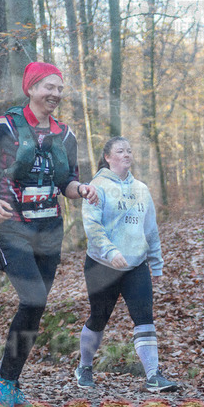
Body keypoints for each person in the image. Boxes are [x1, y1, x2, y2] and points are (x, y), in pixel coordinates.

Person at [0, 61, 98, 407]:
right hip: (11, 226)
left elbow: (67, 183)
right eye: (49, 87)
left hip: (49, 229)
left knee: (35, 307)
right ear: (31, 88)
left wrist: (81, 189)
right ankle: (4, 384)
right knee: (33, 299)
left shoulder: (65, 135)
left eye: (60, 88)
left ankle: (12, 383)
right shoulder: (3, 126)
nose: (56, 94)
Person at [76, 136, 178, 393]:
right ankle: (85, 367)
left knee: (144, 317)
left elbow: (150, 229)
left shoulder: (141, 189)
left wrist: (156, 263)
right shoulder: (96, 187)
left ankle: (153, 375)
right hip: (102, 265)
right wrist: (110, 252)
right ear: (108, 157)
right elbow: (92, 226)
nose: (126, 154)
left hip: (136, 265)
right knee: (99, 317)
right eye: (120, 151)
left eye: (129, 151)